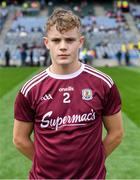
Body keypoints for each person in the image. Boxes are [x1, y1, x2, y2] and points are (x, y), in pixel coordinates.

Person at [13, 8, 124, 179]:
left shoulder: (103, 83)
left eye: (69, 40)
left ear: (80, 42)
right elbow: (19, 139)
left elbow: (116, 133)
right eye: (56, 40)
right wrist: (44, 162)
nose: (63, 46)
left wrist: (96, 160)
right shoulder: (31, 89)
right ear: (46, 43)